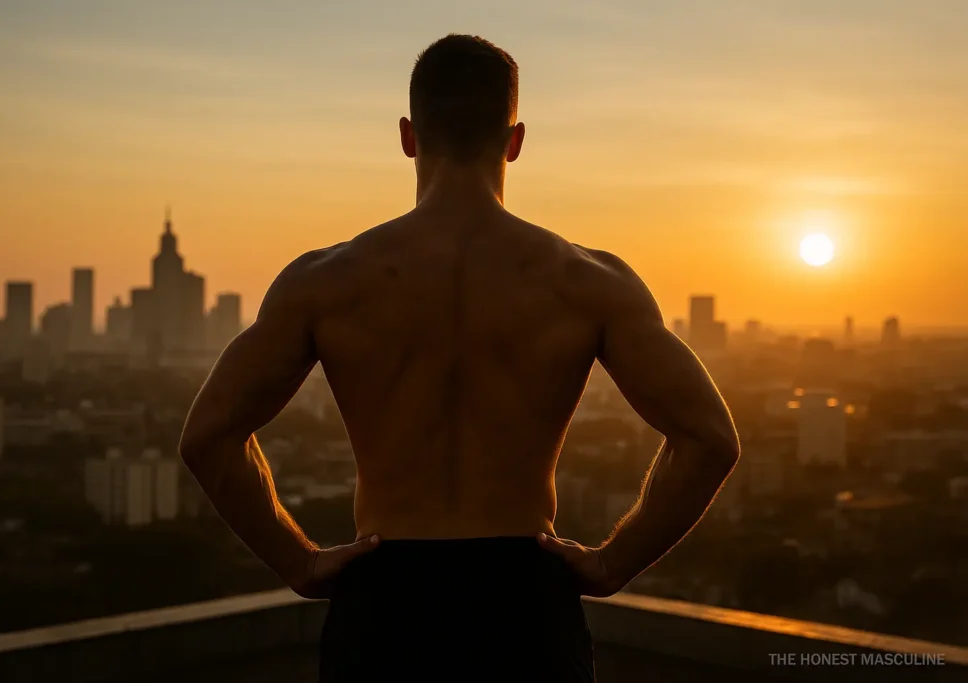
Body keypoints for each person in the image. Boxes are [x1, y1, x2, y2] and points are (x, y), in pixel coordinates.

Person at [179, 33, 740, 683]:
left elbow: (208, 436)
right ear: (516, 139)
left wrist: (298, 562)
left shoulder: (326, 281)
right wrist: (614, 561)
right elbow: (709, 438)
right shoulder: (587, 281)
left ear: (408, 136)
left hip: (384, 602)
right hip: (524, 604)